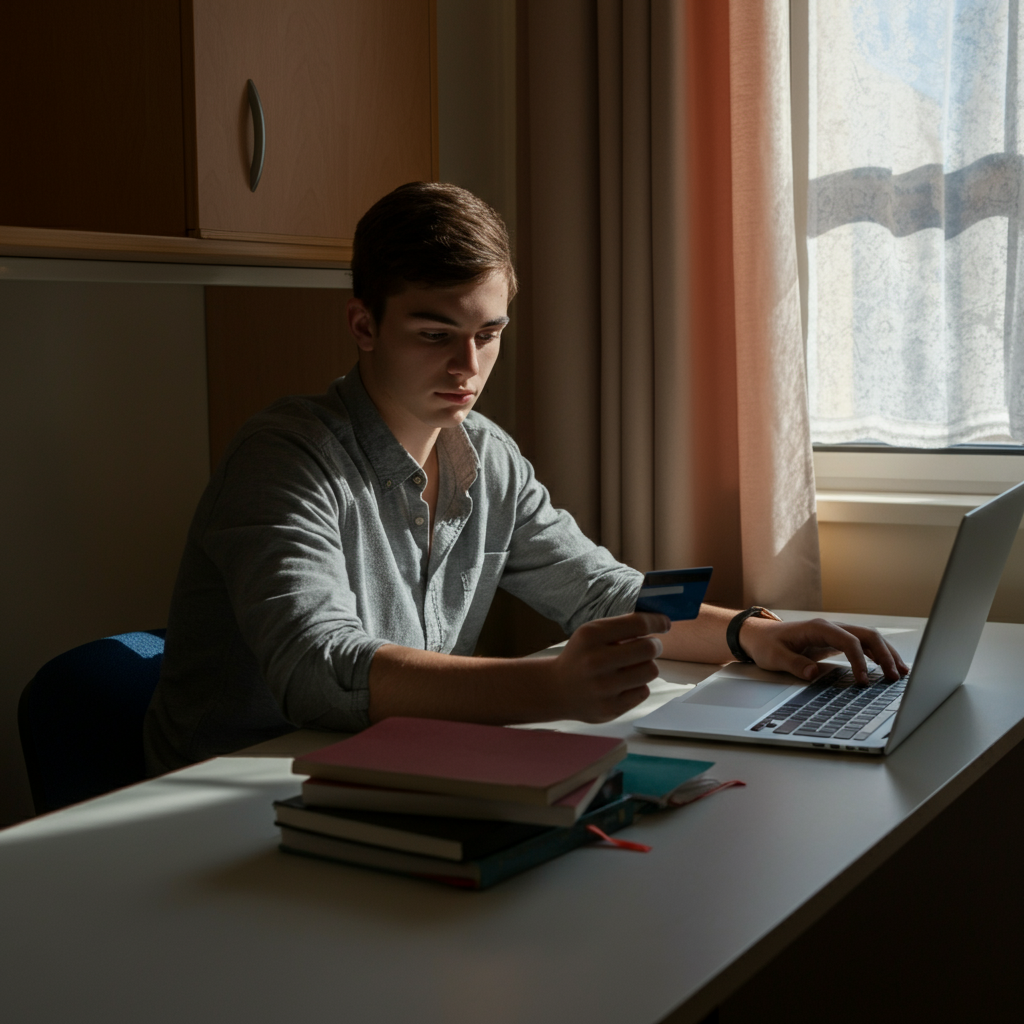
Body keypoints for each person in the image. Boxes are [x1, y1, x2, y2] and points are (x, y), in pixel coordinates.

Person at [144, 182, 906, 774]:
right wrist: (545, 688)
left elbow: (602, 590)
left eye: (489, 334)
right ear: (363, 325)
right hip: (237, 793)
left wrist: (751, 634)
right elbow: (318, 667)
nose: (467, 367)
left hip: (392, 770)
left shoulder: (487, 454)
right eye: (435, 334)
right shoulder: (285, 458)